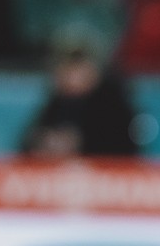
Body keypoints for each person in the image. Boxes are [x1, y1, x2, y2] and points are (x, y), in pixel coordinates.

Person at [21, 28, 138, 158]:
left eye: (77, 66)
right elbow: (26, 144)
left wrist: (79, 145)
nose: (70, 75)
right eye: (65, 66)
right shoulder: (58, 101)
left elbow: (121, 149)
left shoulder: (113, 101)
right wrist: (43, 142)